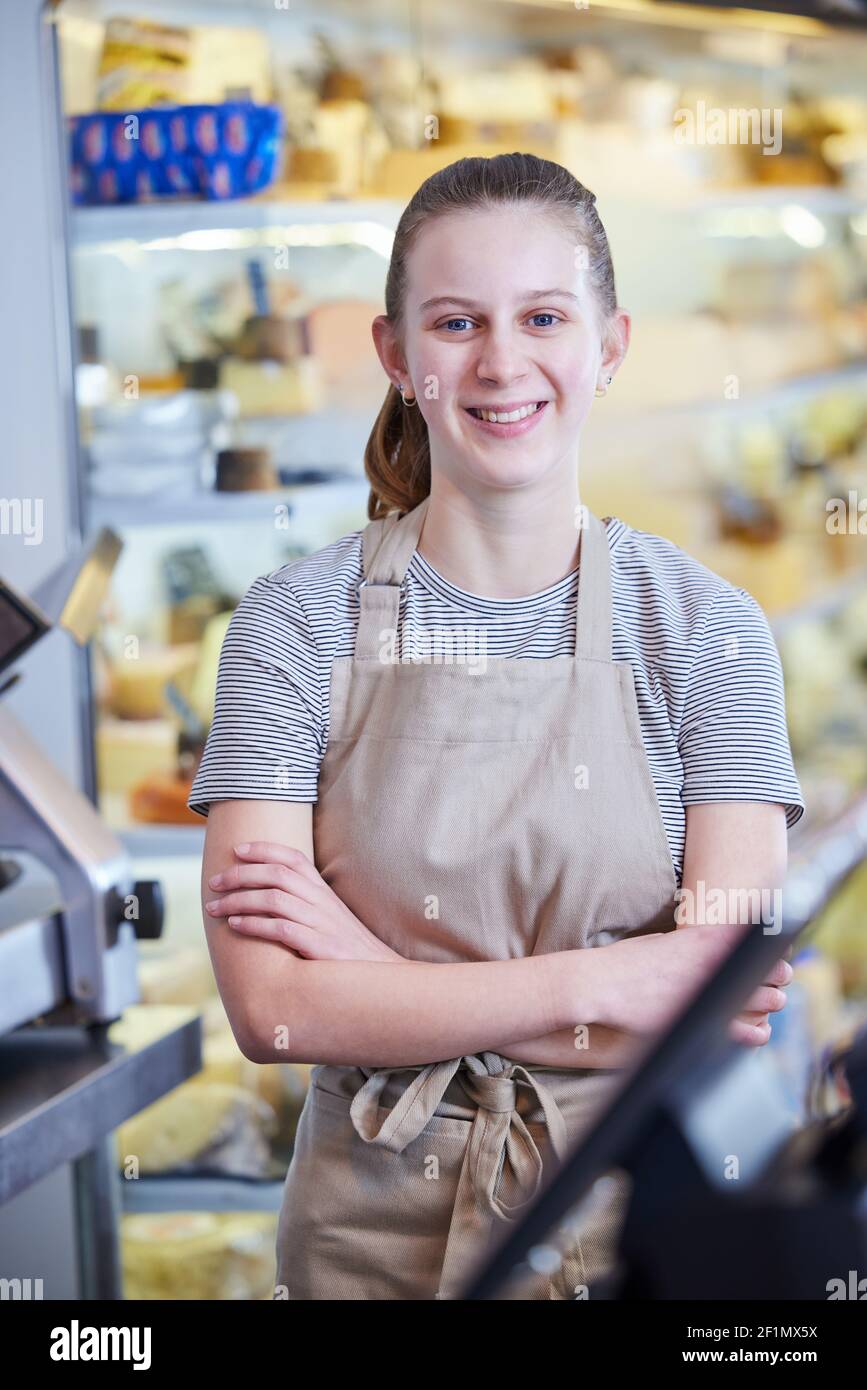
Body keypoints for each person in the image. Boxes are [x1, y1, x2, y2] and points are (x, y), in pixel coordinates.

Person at [188, 152, 804, 1300]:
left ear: (609, 346)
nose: (501, 362)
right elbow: (272, 1011)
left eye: (544, 317)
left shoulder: (709, 630)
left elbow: (723, 1016)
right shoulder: (292, 622)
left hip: (633, 1236)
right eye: (457, 322)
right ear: (397, 354)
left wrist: (373, 981)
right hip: (362, 1252)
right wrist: (608, 984)